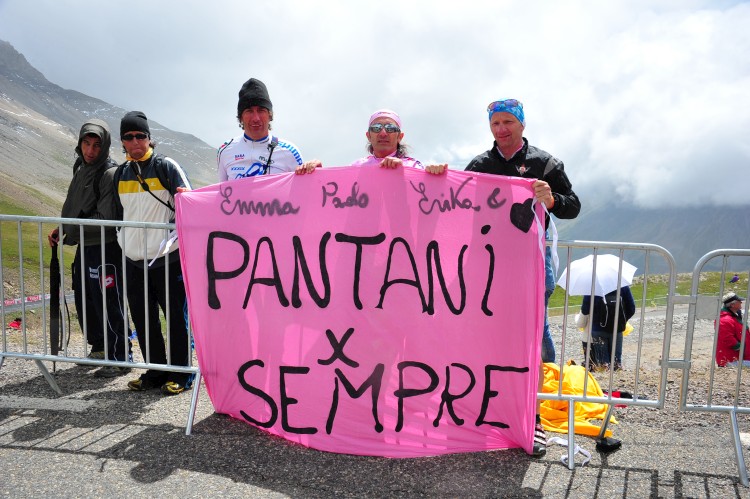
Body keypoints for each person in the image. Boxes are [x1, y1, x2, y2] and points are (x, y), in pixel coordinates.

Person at [429, 99, 581, 457]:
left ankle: (533, 416)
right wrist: (436, 175)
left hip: (532, 262)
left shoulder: (545, 162)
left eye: (508, 122)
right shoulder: (480, 165)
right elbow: (452, 199)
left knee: (533, 335)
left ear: (522, 125)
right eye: (495, 123)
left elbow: (573, 205)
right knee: (485, 334)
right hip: (486, 263)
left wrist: (552, 200)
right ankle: (486, 408)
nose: (501, 129)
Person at [113, 111, 193, 396]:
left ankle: (182, 374)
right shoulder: (120, 174)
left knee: (176, 319)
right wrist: (123, 242)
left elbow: (189, 202)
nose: (135, 141)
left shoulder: (165, 166)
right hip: (134, 261)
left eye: (141, 136)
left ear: (149, 138)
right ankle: (156, 371)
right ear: (122, 141)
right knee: (144, 319)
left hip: (168, 259)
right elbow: (119, 215)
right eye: (129, 137)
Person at [48, 119, 132, 377]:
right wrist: (62, 228)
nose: (90, 150)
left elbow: (106, 218)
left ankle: (120, 356)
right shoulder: (81, 167)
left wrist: (72, 227)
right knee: (85, 297)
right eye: (86, 143)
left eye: (96, 145)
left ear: (104, 146)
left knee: (109, 301)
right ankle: (99, 347)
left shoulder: (109, 173)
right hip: (85, 246)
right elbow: (75, 204)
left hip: (106, 248)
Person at [297, 109, 443, 173]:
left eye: (390, 128)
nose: (383, 133)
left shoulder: (414, 166)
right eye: (377, 128)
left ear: (400, 137)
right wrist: (317, 173)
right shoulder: (357, 166)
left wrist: (437, 173)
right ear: (368, 136)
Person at [218, 78, 308, 180]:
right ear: (241, 117)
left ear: (269, 115)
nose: (256, 118)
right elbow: (222, 189)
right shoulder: (225, 151)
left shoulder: (290, 152)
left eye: (261, 110)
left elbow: (307, 185)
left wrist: (315, 170)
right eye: (249, 111)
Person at [580, 286, 636, 370]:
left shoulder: (592, 286)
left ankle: (605, 374)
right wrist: (621, 320)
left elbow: (585, 310)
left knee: (604, 365)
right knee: (616, 363)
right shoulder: (622, 285)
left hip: (598, 330)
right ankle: (616, 375)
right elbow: (631, 308)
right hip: (617, 329)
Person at [716, 293, 750, 367]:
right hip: (731, 359)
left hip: (739, 357)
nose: (741, 302)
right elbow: (728, 339)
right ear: (732, 305)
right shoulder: (725, 320)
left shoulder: (733, 317)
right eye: (739, 301)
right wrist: (742, 348)